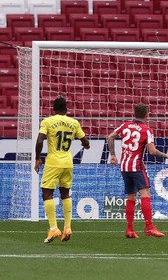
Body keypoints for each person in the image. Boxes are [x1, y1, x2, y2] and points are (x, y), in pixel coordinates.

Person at [107, 103, 168, 238]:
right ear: (147, 115)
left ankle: (130, 229)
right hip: (136, 167)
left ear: (134, 114)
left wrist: (113, 155)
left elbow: (110, 136)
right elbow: (152, 151)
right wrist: (166, 155)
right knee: (145, 194)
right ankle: (149, 227)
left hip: (124, 167)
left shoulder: (125, 125)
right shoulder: (146, 130)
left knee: (131, 197)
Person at [34, 96, 90, 243]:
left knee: (47, 193)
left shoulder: (48, 121)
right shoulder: (73, 123)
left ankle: (53, 228)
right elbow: (85, 142)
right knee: (65, 193)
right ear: (66, 109)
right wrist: (87, 145)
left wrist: (37, 158)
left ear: (53, 109)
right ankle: (67, 227)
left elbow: (40, 140)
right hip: (67, 162)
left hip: (53, 162)